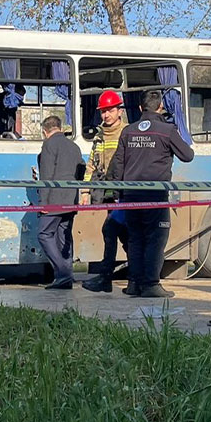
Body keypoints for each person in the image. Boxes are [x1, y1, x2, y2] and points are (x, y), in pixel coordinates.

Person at [107, 89, 194, 298]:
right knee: (156, 238)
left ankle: (134, 284)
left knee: (135, 239)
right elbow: (188, 155)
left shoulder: (128, 131)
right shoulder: (167, 130)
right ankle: (151, 284)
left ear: (140, 108)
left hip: (130, 195)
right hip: (155, 195)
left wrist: (120, 194)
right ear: (161, 107)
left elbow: (118, 165)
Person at [81, 90, 131, 293]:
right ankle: (136, 275)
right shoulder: (99, 136)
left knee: (111, 231)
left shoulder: (128, 133)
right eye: (103, 111)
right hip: (109, 194)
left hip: (125, 193)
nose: (106, 115)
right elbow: (91, 165)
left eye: (110, 110)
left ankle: (107, 278)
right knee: (122, 234)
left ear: (120, 111)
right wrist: (85, 191)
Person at [35, 115, 85, 289]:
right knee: (64, 237)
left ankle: (64, 273)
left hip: (54, 199)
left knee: (44, 234)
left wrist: (43, 203)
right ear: (60, 128)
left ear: (44, 131)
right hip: (71, 198)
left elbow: (46, 175)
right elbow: (81, 170)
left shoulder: (49, 145)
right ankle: (65, 277)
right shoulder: (74, 146)